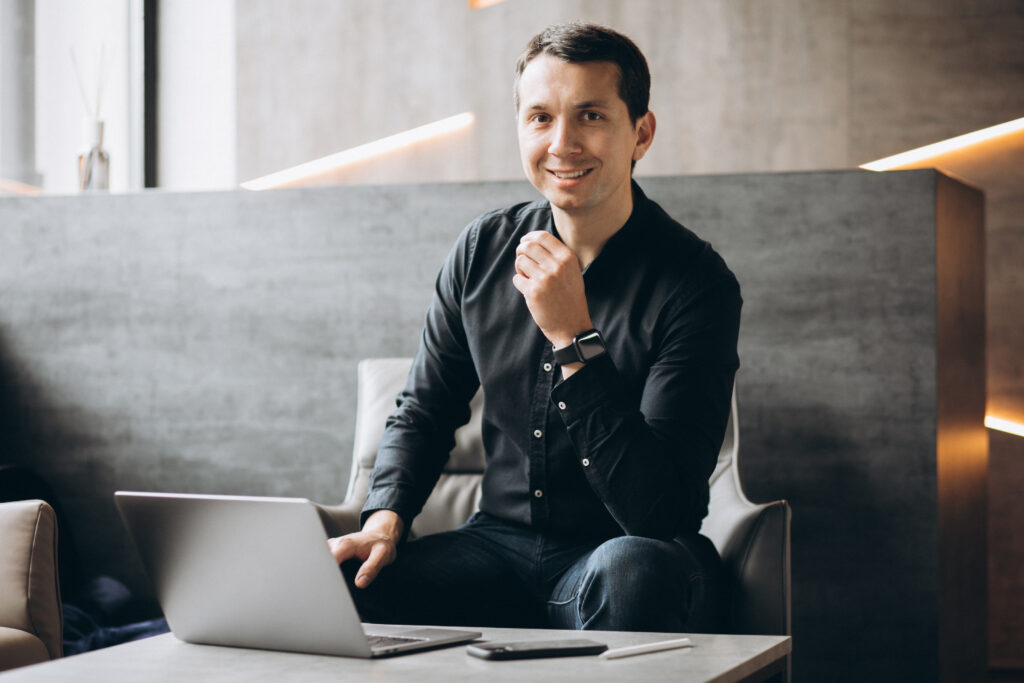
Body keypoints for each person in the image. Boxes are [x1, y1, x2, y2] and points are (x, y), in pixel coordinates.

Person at [328, 22, 741, 633]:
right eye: (541, 118)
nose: (562, 143)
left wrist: (575, 340)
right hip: (494, 550)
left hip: (618, 556)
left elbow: (661, 512)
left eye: (592, 116)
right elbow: (424, 410)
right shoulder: (481, 250)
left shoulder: (696, 284)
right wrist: (385, 516)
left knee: (634, 570)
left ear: (641, 134)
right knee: (342, 580)